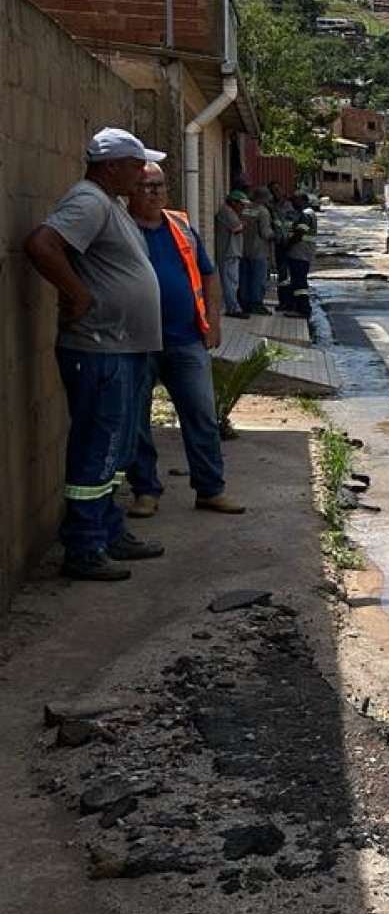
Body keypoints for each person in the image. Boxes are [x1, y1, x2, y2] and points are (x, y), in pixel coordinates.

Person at [21, 128, 172, 581]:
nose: (143, 171)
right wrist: (77, 294)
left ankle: (108, 530)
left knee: (116, 449)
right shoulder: (88, 201)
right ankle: (85, 546)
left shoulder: (111, 204)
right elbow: (41, 245)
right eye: (135, 163)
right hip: (100, 348)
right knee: (98, 447)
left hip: (122, 348)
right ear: (111, 166)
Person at [121, 162, 245, 519]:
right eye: (145, 186)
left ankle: (210, 489)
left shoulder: (180, 226)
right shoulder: (120, 228)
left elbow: (208, 274)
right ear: (131, 190)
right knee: (137, 421)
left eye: (159, 185)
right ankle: (145, 491)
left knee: (202, 416)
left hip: (186, 339)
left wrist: (214, 323)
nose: (154, 192)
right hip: (136, 342)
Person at [280, 193, 318, 317]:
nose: (293, 204)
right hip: (302, 253)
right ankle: (295, 306)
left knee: (300, 282)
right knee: (297, 281)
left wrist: (287, 245)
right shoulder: (308, 213)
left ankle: (303, 309)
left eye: (295, 201)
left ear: (303, 200)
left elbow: (299, 233)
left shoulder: (306, 214)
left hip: (300, 253)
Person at [239, 188, 275, 315]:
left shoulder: (245, 209)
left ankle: (244, 303)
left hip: (243, 249)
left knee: (244, 278)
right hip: (258, 250)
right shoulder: (263, 212)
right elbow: (265, 233)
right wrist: (275, 235)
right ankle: (256, 303)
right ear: (263, 198)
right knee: (258, 279)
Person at [213, 189, 247, 317]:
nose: (242, 207)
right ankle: (233, 308)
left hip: (232, 252)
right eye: (241, 204)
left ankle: (233, 306)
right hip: (229, 252)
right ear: (233, 202)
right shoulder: (227, 212)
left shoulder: (230, 212)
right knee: (230, 282)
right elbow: (237, 227)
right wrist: (243, 224)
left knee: (232, 281)